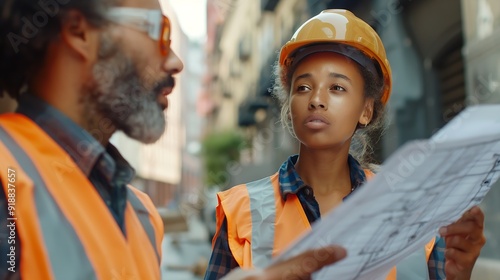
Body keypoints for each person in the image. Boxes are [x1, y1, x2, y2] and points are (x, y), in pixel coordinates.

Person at [0, 0, 347, 279]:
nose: (175, 61)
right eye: (161, 35)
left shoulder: (142, 215)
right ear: (79, 32)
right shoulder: (8, 181)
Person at [205, 9, 486, 280]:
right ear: (289, 106)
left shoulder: (410, 208)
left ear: (366, 110)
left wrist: (458, 276)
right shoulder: (241, 210)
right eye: (303, 87)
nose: (316, 99)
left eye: (337, 88)